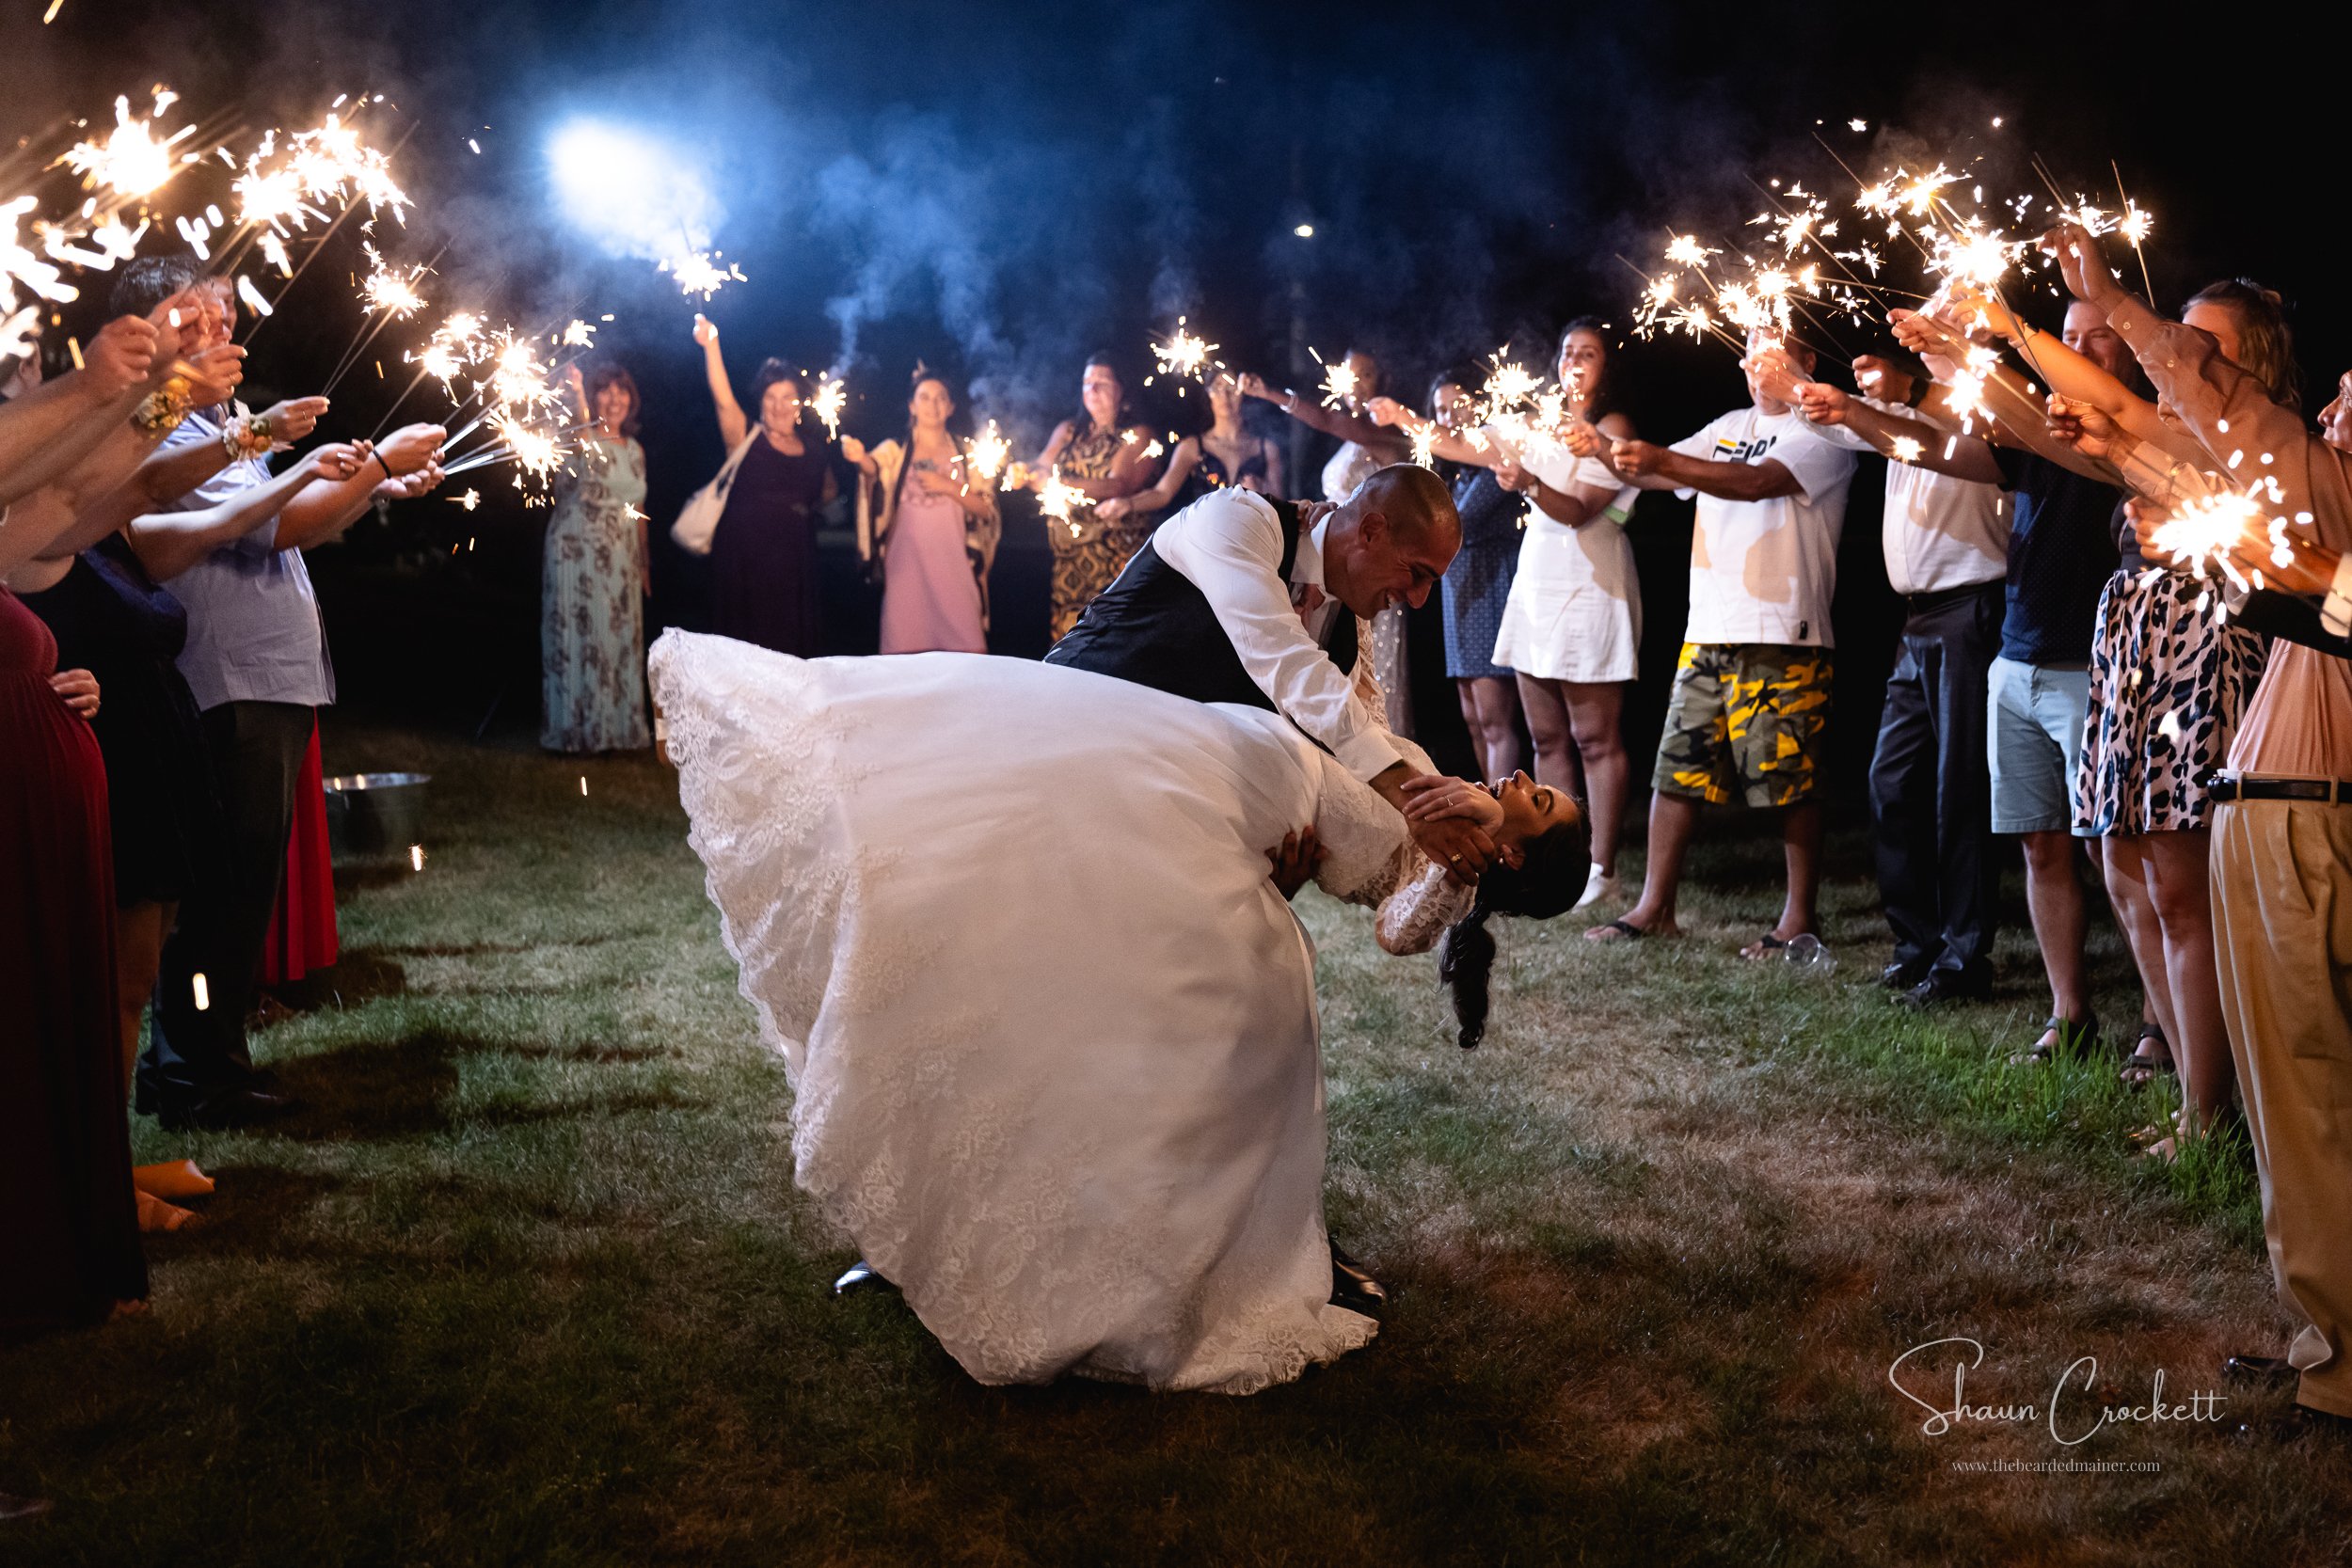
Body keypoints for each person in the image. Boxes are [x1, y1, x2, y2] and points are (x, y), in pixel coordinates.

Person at [647, 627, 1587, 1390]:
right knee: (1002, 774)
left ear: (1512, 857)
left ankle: (1104, 1258)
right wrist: (1381, 599)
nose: (1517, 781)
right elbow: (1361, 707)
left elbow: (1395, 926)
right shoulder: (1427, 774)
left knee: (1117, 1003)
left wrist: (1439, 871)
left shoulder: (1454, 869)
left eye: (1535, 800)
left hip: (1220, 807)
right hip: (1210, 758)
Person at [2077, 239, 2352, 1429]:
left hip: (2313, 806)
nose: (2339, 406)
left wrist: (2116, 312)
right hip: (2280, 799)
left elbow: (2228, 424)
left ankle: (2338, 1369)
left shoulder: (2314, 488)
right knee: (2303, 1096)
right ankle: (2325, 1341)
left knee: (2309, 1086)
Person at [117, 258, 448, 1132]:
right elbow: (269, 526)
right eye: (198, 318)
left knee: (238, 884)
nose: (222, 331)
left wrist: (369, 479)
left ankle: (196, 1063)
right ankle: (196, 1074)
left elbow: (298, 518)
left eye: (226, 315)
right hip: (227, 677)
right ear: (151, 330)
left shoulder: (221, 421)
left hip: (266, 675)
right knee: (220, 888)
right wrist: (374, 464)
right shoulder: (155, 421)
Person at [1802, 297, 2128, 1062]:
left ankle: (2154, 1023)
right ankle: (2067, 1010)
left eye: (2094, 340)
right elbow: (1936, 450)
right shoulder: (2034, 433)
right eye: (2068, 339)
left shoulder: (2128, 434)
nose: (2077, 352)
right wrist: (1855, 409)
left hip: (2086, 653)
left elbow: (1975, 416)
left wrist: (1922, 377)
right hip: (2017, 647)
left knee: (2115, 854)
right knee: (2039, 843)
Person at [1578, 331, 1855, 954]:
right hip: (1707, 626)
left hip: (1785, 630)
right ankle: (1655, 907)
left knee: (1790, 778)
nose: (1757, 369)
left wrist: (1656, 460)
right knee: (1677, 769)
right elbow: (1650, 472)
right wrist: (1598, 448)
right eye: (1749, 357)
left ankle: (1798, 917)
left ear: (1808, 362)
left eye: (1773, 355)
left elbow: (1754, 482)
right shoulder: (1729, 422)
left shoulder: (1826, 434)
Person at [1793, 355, 2010, 1008]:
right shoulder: (1904, 411)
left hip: (1971, 608)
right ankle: (1915, 945)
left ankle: (1963, 957)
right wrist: (1797, 388)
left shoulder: (1988, 404)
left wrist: (1874, 404)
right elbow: (1844, 428)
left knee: (1959, 794)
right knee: (1891, 781)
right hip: (1917, 621)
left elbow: (1907, 440)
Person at [1488, 322, 1643, 904]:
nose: (1576, 361)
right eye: (1568, 352)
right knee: (1546, 734)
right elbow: (1471, 443)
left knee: (1594, 736)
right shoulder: (1538, 424)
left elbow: (1580, 511)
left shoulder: (1611, 429)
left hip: (1591, 585)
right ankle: (1556, 856)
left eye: (1590, 354)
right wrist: (1407, 423)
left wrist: (1527, 481)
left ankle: (1601, 866)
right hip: (1538, 584)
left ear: (1606, 367)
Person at [1243, 350, 1417, 735]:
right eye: (1349, 376)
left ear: (1381, 381)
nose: (1356, 385)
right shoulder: (1347, 443)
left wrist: (1272, 394)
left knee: (1375, 679)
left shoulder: (1387, 438)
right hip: (1336, 572)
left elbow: (1328, 420)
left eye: (1365, 375)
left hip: (1374, 573)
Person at [691, 315, 834, 655]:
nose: (779, 406)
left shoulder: (814, 451)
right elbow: (723, 399)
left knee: (790, 650)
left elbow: (827, 493)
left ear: (799, 405)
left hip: (795, 565)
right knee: (748, 650)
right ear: (760, 402)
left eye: (788, 397)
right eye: (771, 397)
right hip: (745, 562)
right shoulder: (745, 439)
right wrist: (712, 346)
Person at [844, 368, 1001, 655]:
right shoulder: (896, 451)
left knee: (968, 654)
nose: (933, 405)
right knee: (904, 660)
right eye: (925, 397)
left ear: (951, 406)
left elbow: (986, 509)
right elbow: (874, 468)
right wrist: (859, 458)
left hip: (955, 571)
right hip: (906, 572)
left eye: (941, 398)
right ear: (912, 406)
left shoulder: (967, 455)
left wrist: (949, 487)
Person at [542, 360, 651, 752]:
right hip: (576, 553)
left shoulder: (635, 450)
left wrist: (644, 564)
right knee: (580, 634)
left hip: (620, 558)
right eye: (605, 389)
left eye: (621, 390)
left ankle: (616, 730)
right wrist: (576, 394)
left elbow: (637, 509)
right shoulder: (578, 436)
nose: (615, 398)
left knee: (615, 637)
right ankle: (578, 732)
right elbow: (584, 445)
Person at [1024, 356, 1156, 642]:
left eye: (1102, 383)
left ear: (1122, 389)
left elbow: (1117, 485)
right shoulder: (1069, 431)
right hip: (1069, 560)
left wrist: (1061, 484)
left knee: (1110, 641)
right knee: (1069, 642)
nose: (1092, 390)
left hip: (1113, 558)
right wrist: (1022, 471)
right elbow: (1041, 467)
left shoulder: (1137, 434)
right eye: (1086, 383)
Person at [1097, 372, 1284, 526]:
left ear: (1244, 392)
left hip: (1253, 538)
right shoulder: (1193, 446)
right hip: (1206, 540)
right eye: (1217, 388)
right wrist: (1128, 504)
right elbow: (1163, 493)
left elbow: (1280, 506)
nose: (1224, 396)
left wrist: (1261, 492)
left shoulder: (1266, 448)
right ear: (1208, 394)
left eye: (1231, 388)